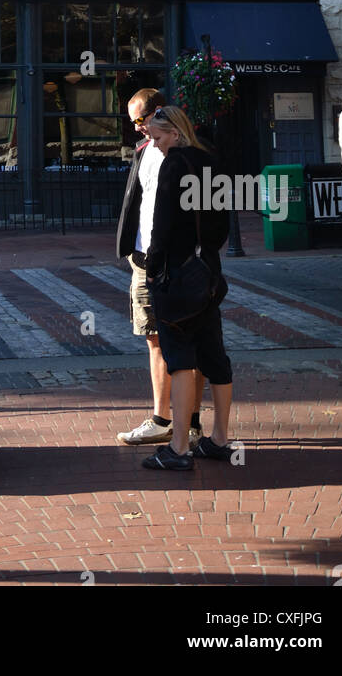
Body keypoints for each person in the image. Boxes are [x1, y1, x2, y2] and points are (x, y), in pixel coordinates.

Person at [141, 105, 234, 471]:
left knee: (179, 359)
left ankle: (179, 448)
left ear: (176, 133)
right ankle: (220, 440)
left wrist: (153, 269)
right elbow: (223, 224)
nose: (156, 144)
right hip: (208, 272)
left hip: (177, 276)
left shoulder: (174, 164)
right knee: (215, 358)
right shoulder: (213, 161)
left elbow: (161, 228)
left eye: (159, 137)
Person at [115, 89, 204, 450]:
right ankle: (161, 419)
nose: (137, 129)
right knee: (153, 336)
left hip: (178, 260)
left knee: (187, 338)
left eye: (140, 120)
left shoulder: (190, 158)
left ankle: (189, 423)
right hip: (143, 257)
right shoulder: (143, 151)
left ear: (159, 114)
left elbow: (208, 213)